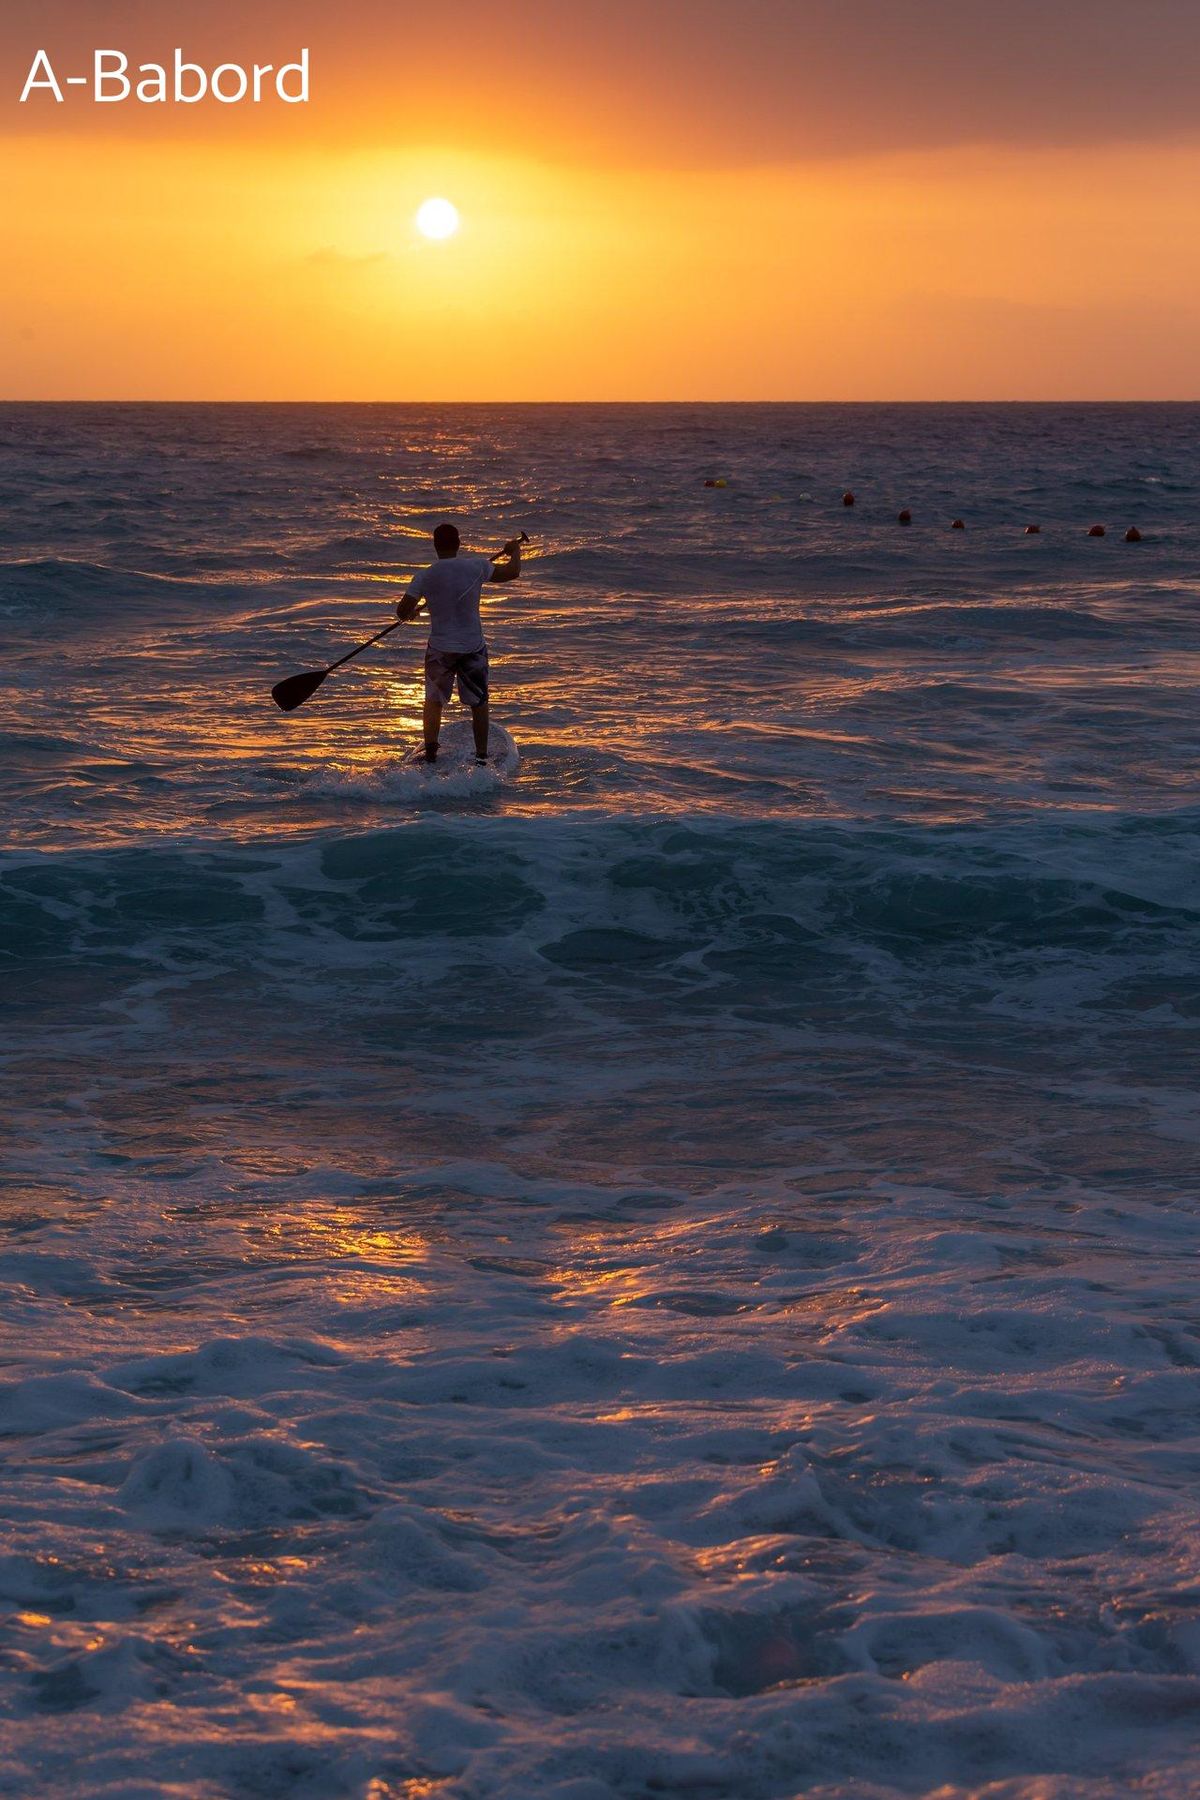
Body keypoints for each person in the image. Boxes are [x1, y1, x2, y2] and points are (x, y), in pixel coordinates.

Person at [395, 524, 523, 762]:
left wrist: (410, 615)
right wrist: (514, 549)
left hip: (439, 649)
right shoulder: (477, 566)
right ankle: (482, 757)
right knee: (479, 703)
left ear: (435, 546)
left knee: (433, 701)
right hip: (472, 648)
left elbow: (402, 611)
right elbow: (512, 571)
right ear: (459, 543)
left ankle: (431, 753)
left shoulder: (424, 575)